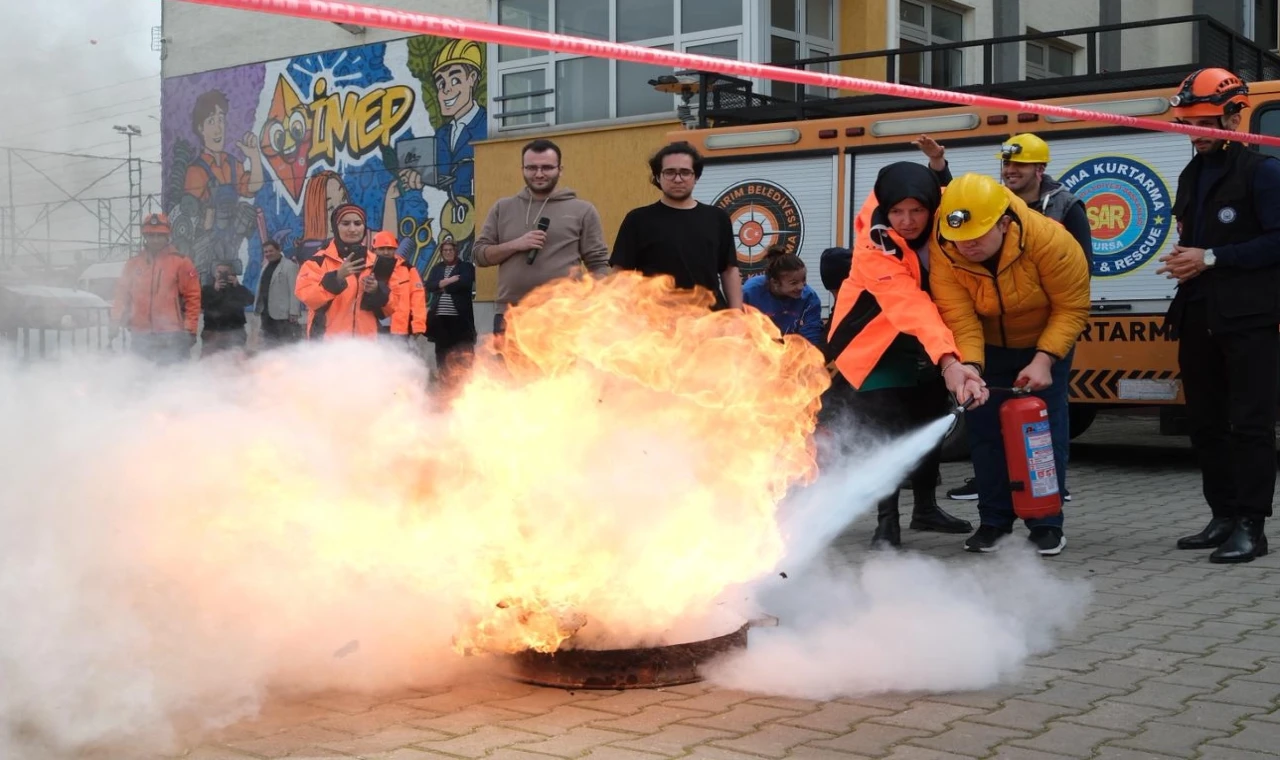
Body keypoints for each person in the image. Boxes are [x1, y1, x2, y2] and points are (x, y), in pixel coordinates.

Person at [823, 161, 985, 547]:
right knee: (887, 430)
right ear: (886, 208)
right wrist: (948, 358)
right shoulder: (872, 243)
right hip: (875, 339)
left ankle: (925, 510)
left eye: (917, 211)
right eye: (898, 211)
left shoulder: (951, 213)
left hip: (929, 339)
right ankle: (886, 521)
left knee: (928, 423)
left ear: (932, 206)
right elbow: (907, 302)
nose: (907, 221)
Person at [929, 173, 1090, 556]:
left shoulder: (1050, 240)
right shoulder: (945, 246)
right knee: (984, 435)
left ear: (1004, 223)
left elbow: (1072, 307)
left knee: (1044, 435)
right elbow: (959, 315)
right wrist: (971, 368)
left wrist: (1044, 359)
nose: (966, 246)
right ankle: (994, 523)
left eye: (977, 238)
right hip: (987, 346)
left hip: (1043, 343)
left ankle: (1046, 524)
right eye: (959, 238)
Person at [1156, 68, 1280, 564]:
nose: (1195, 132)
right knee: (1204, 422)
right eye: (1188, 122)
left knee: (1250, 424)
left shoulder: (1264, 172)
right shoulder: (1192, 172)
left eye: (1205, 121)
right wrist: (1185, 259)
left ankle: (1252, 525)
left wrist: (1210, 258)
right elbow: (1198, 236)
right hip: (1198, 311)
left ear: (1235, 114)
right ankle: (1222, 515)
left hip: (1250, 317)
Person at [473, 138, 610, 335]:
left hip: (563, 315)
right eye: (531, 168)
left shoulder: (582, 210)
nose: (539, 174)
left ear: (560, 170)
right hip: (511, 314)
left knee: (563, 367)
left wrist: (597, 305)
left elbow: (598, 263)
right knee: (507, 368)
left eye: (547, 167)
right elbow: (479, 256)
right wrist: (515, 245)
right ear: (522, 169)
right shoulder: (503, 208)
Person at [611, 142, 743, 310]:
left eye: (685, 172)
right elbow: (621, 273)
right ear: (658, 177)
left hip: (710, 320)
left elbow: (729, 270)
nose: (678, 179)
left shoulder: (717, 218)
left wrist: (736, 315)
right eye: (670, 172)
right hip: (656, 320)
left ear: (696, 177)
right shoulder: (638, 219)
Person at [111, 212, 201, 365]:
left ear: (168, 236)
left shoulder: (181, 262)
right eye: (151, 235)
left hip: (172, 334)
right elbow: (121, 295)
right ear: (145, 236)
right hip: (140, 334)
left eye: (160, 235)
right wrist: (114, 320)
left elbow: (193, 297)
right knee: (141, 378)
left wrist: (190, 329)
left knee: (172, 379)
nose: (155, 239)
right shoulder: (133, 264)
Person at [295, 203, 386, 340]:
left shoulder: (377, 263)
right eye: (345, 223)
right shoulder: (317, 261)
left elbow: (391, 308)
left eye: (357, 223)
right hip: (328, 346)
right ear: (335, 228)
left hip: (367, 348)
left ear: (364, 227)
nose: (352, 229)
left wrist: (377, 291)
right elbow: (308, 298)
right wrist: (337, 278)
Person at [742, 245, 824, 347]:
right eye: (794, 283)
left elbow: (812, 336)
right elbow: (739, 330)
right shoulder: (750, 292)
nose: (801, 286)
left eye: (803, 280)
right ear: (775, 283)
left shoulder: (809, 297)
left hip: (792, 351)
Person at [426, 235, 478, 376]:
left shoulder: (466, 267)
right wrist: (449, 281)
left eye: (450, 250)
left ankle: (464, 382)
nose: (448, 252)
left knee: (463, 352)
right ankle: (444, 380)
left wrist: (442, 285)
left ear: (456, 251)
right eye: (445, 250)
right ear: (442, 253)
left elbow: (465, 283)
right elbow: (429, 285)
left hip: (459, 319)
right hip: (440, 319)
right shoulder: (437, 269)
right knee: (442, 352)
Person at [370, 230, 427, 341]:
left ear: (395, 249)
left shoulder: (408, 269)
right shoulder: (367, 268)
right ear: (374, 250)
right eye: (381, 249)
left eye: (390, 249)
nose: (386, 252)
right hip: (372, 328)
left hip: (399, 329)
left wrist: (418, 325)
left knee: (399, 358)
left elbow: (417, 298)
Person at [254, 239, 303, 349]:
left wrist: (294, 312)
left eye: (270, 251)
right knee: (269, 343)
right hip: (266, 313)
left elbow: (295, 290)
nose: (268, 254)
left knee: (284, 345)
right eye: (265, 252)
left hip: (283, 316)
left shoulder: (290, 266)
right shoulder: (265, 266)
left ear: (279, 250)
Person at [200, 261, 254, 356]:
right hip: (212, 331)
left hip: (235, 331)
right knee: (209, 362)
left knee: (236, 360)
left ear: (232, 274)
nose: (222, 275)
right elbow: (202, 305)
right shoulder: (207, 289)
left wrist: (237, 287)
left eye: (226, 273)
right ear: (214, 273)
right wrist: (215, 290)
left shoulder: (238, 289)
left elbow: (250, 301)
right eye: (219, 272)